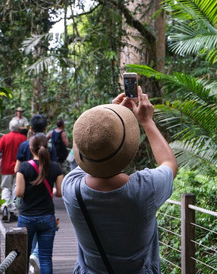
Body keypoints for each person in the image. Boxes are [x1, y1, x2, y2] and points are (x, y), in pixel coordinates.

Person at [62, 87, 178, 274]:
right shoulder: (145, 189)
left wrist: (107, 116)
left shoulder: (71, 188)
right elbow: (169, 163)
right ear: (126, 147)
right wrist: (146, 121)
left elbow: (91, 152)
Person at [15, 133, 63, 274]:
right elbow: (60, 193)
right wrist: (52, 190)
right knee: (45, 258)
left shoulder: (23, 167)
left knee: (23, 256)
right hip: (47, 218)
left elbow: (19, 193)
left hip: (27, 218)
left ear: (31, 149)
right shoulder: (55, 168)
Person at [0, 120, 27, 222]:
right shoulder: (23, 138)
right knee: (16, 188)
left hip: (6, 167)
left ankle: (5, 207)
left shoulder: (5, 137)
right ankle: (13, 211)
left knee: (6, 188)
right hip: (19, 168)